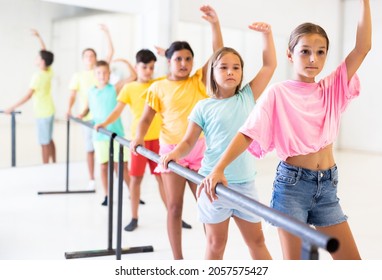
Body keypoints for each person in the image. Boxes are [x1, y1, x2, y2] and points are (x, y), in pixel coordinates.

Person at [201, 0, 371, 260]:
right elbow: (247, 132)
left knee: (352, 263)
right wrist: (218, 168)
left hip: (327, 187)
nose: (313, 58)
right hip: (293, 187)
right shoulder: (278, 93)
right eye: (305, 51)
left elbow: (362, 47)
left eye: (321, 51)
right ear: (290, 55)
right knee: (296, 267)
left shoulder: (332, 87)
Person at [160, 22, 276, 260]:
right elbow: (188, 142)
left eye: (236, 67)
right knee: (216, 244)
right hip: (213, 185)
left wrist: (267, 35)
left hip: (245, 185)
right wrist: (174, 154)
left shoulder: (247, 96)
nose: (231, 72)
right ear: (212, 72)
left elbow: (269, 65)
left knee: (257, 241)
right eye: (223, 67)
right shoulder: (203, 106)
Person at [130, 5, 223, 259]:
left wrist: (215, 24)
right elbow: (145, 118)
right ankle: (178, 260)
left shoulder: (198, 81)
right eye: (178, 59)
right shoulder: (158, 88)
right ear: (169, 62)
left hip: (200, 151)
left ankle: (211, 256)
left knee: (208, 206)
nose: (183, 63)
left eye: (188, 59)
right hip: (172, 151)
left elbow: (218, 54)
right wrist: (138, 137)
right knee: (174, 207)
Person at [95, 49, 192, 231]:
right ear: (137, 67)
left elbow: (175, 71)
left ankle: (174, 215)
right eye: (145, 67)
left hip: (159, 140)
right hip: (138, 142)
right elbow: (117, 110)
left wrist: (168, 54)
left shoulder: (158, 83)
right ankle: (134, 217)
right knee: (135, 179)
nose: (148, 71)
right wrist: (104, 123)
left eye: (152, 67)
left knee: (161, 180)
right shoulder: (129, 88)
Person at [67, 24, 114, 190]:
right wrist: (69, 110)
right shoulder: (78, 76)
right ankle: (91, 178)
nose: (89, 58)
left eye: (92, 55)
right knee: (90, 149)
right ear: (83, 59)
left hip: (105, 117)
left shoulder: (100, 71)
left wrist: (107, 33)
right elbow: (72, 94)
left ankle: (115, 181)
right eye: (86, 56)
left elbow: (110, 53)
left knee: (110, 152)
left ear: (95, 58)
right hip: (88, 118)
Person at [78, 60, 130, 206]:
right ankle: (107, 195)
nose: (102, 75)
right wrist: (81, 114)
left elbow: (133, 76)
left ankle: (133, 191)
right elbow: (88, 108)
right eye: (99, 73)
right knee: (103, 166)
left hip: (116, 133)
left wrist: (124, 62)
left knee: (121, 167)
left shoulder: (115, 88)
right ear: (95, 75)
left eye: (105, 72)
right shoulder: (91, 91)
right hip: (99, 134)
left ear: (109, 74)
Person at [5, 29, 56, 164]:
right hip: (50, 110)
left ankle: (46, 167)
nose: (36, 58)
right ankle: (54, 163)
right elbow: (45, 52)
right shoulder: (48, 71)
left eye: (38, 57)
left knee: (44, 142)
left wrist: (11, 107)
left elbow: (28, 96)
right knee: (49, 138)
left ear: (43, 61)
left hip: (43, 113)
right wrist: (39, 37)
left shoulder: (38, 76)